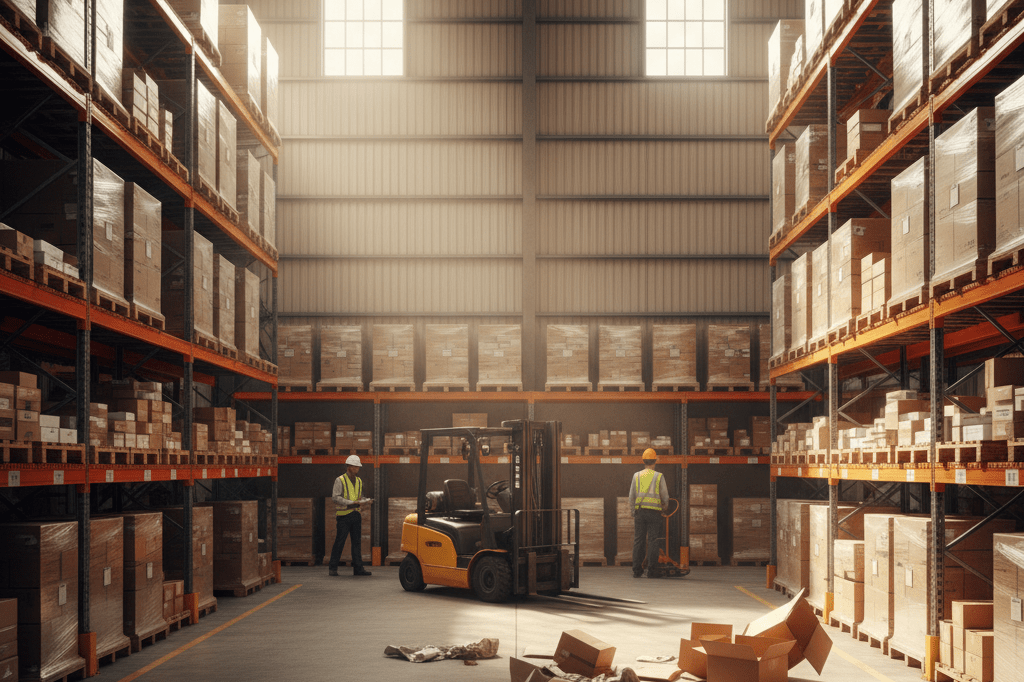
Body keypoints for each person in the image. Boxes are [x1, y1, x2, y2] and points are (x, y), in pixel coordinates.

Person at [328, 454, 373, 576]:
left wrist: (365, 501)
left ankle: (358, 569)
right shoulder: (340, 480)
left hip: (356, 514)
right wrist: (350, 502)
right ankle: (332, 568)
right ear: (348, 466)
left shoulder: (359, 481)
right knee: (340, 542)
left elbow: (359, 496)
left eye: (358, 467)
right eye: (355, 466)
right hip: (344, 515)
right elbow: (335, 497)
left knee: (356, 543)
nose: (357, 469)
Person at [629, 448, 668, 578]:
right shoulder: (659, 476)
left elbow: (631, 496)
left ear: (643, 461)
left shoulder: (636, 475)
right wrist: (664, 508)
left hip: (640, 512)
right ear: (655, 461)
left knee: (638, 540)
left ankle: (637, 570)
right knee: (653, 540)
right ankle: (652, 571)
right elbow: (665, 496)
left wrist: (633, 511)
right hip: (654, 513)